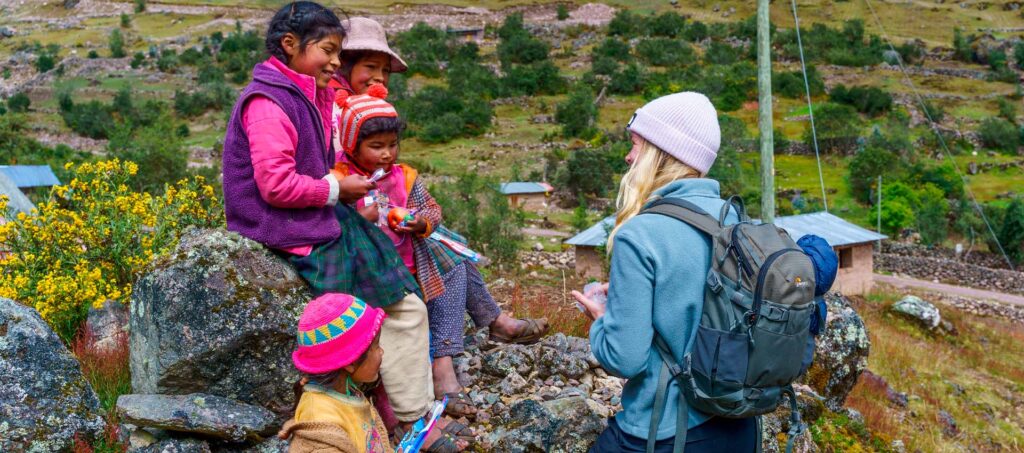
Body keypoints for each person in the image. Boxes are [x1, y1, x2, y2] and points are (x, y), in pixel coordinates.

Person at [220, 4, 459, 451]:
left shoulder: (309, 92)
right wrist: (336, 189)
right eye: (328, 50)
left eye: (338, 52)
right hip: (285, 226)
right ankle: (411, 422)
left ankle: (407, 419)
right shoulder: (268, 104)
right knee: (396, 311)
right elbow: (274, 185)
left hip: (314, 216)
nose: (336, 62)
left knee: (402, 304)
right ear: (290, 46)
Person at [330, 17, 548, 419]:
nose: (379, 77)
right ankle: (455, 352)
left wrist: (419, 219)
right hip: (368, 249)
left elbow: (414, 194)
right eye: (370, 68)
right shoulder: (334, 116)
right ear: (344, 65)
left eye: (383, 71)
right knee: (452, 258)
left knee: (450, 245)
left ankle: (487, 324)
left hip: (396, 233)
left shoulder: (377, 126)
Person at [572, 92, 757, 452]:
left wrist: (601, 320)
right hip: (739, 425)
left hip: (667, 429)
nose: (628, 156)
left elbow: (625, 357)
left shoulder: (639, 234)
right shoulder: (734, 219)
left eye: (636, 144)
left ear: (661, 153)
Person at [280, 293, 391, 452]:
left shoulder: (347, 390)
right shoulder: (320, 423)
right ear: (351, 362)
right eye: (376, 345)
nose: (381, 352)